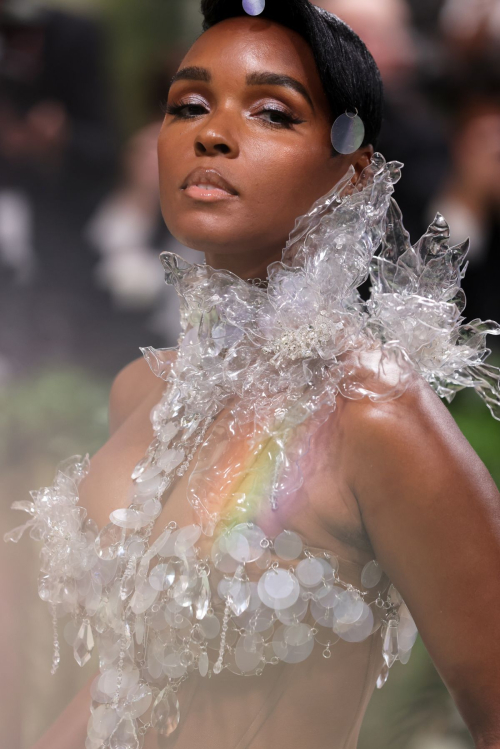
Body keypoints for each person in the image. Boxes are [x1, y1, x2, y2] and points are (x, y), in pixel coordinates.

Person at [5, 2, 500, 748]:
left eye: (272, 111)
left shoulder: (370, 409)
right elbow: (131, 683)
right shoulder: (140, 392)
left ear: (350, 172)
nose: (211, 132)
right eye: (189, 105)